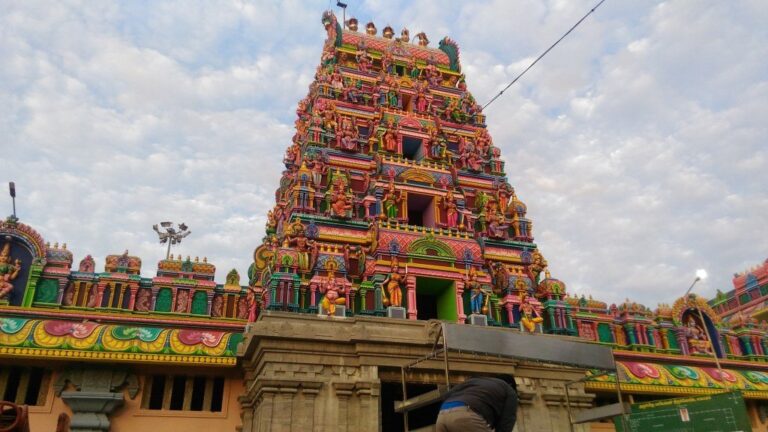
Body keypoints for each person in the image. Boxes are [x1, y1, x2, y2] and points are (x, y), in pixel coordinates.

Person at [436, 374, 518, 432]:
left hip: (442, 416)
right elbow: (506, 422)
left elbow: (447, 395)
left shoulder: (475, 381)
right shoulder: (509, 390)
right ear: (510, 384)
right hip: (465, 415)